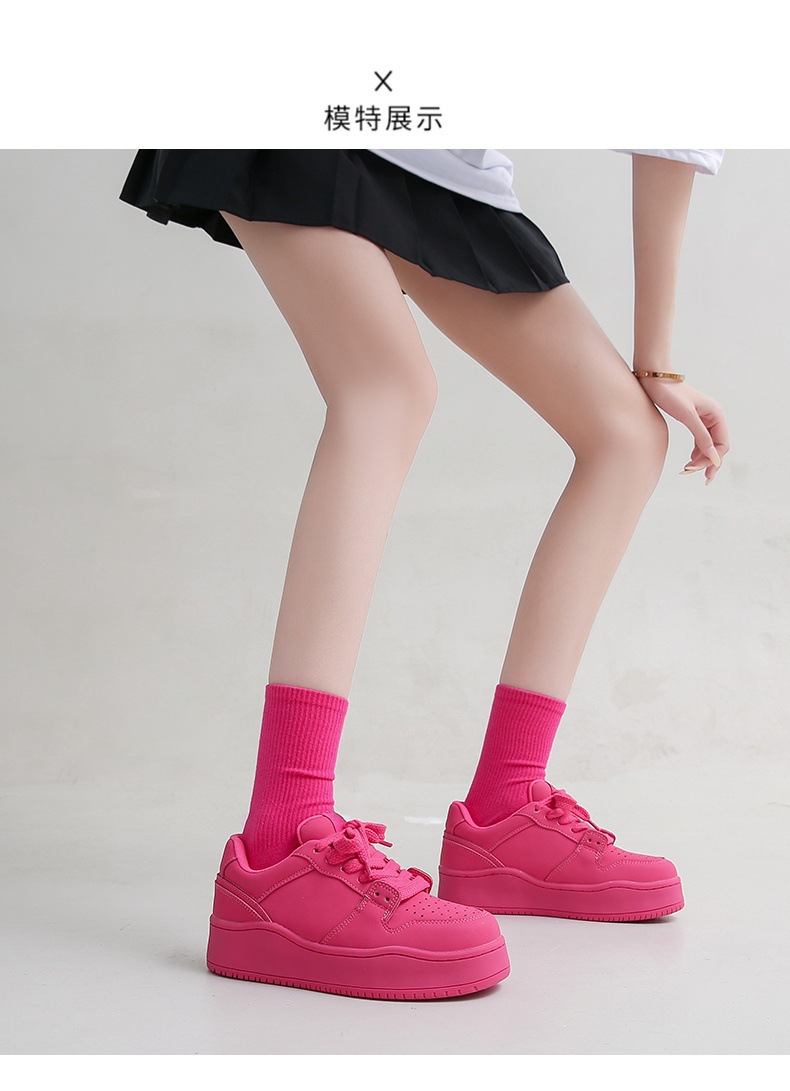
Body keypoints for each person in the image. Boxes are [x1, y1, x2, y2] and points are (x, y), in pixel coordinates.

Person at [118, 148, 729, 1001]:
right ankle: (280, 844)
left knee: (626, 433)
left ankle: (507, 808)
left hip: (443, 164)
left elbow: (671, 116)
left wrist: (656, 363)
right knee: (386, 385)